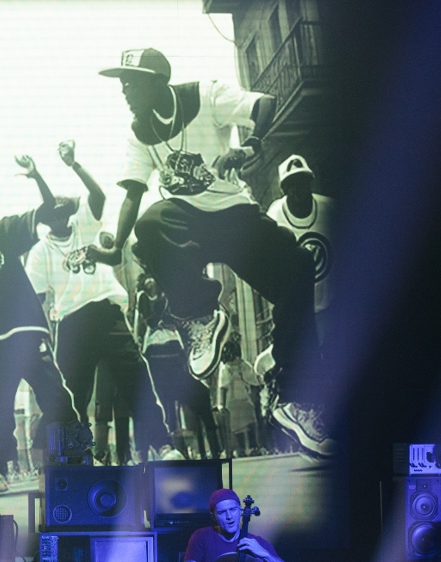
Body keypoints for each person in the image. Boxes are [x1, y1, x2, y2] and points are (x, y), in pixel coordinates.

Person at [88, 47, 333, 459]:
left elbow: (265, 104)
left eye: (131, 83)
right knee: (150, 224)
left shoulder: (206, 95)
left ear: (157, 81)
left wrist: (249, 145)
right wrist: (114, 245)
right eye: (122, 84)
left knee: (299, 266)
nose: (124, 92)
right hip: (187, 224)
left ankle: (295, 397)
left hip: (235, 217)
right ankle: (202, 317)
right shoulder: (138, 132)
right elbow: (133, 192)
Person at [25, 140, 174, 464]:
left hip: (107, 313)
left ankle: (162, 445)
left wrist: (74, 164)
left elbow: (99, 197)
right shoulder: (40, 252)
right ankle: (71, 456)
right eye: (55, 216)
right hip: (71, 322)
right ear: (46, 221)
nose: (62, 219)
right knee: (70, 394)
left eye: (65, 213)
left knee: (135, 378)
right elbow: (37, 299)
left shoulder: (84, 225)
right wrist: (40, 338)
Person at [0, 168, 81, 476]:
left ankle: (76, 454)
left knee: (55, 395)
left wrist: (36, 176)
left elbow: (47, 208)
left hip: (25, 333)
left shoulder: (4, 231)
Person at [266, 154, 335, 345]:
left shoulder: (330, 208)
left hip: (331, 306)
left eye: (302, 182)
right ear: (284, 189)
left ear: (310, 183)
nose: (297, 189)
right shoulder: (274, 216)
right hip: (295, 311)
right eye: (291, 184)